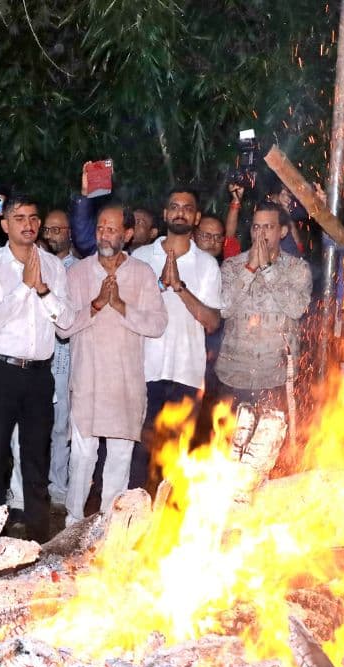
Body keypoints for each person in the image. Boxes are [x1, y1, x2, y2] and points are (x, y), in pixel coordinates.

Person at [58, 205, 167, 524]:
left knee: (120, 458)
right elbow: (62, 328)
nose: (103, 235)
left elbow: (158, 324)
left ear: (128, 234)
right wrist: (94, 306)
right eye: (100, 228)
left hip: (125, 384)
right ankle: (72, 523)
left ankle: (108, 528)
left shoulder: (142, 273)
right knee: (82, 457)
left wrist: (120, 305)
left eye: (111, 229)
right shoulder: (77, 273)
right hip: (87, 381)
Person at [0, 196, 74, 542]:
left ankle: (38, 540)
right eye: (19, 218)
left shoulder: (53, 266)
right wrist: (24, 288)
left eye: (33, 217)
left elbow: (67, 325)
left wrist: (43, 289)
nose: (28, 224)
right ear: (4, 225)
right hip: (2, 373)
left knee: (36, 458)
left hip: (39, 375)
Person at [129, 188, 222, 490]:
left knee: (175, 461)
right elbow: (127, 311)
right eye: (174, 206)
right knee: (139, 455)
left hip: (187, 373)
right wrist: (159, 284)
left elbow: (212, 322)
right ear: (165, 214)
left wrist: (179, 287)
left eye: (187, 208)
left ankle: (169, 517)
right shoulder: (141, 257)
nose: (180, 212)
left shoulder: (206, 265)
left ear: (196, 217)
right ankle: (132, 516)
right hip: (144, 370)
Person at [216, 203, 312, 411]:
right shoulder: (232, 266)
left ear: (283, 232)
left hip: (276, 378)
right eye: (256, 227)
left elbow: (296, 309)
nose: (260, 233)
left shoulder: (298, 268)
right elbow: (223, 308)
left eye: (268, 227)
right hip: (234, 374)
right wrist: (249, 268)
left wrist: (268, 269)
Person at [41, 208, 76, 505]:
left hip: (66, 356)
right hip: (38, 356)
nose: (51, 235)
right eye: (47, 230)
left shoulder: (79, 268)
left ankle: (58, 485)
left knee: (62, 425)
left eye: (57, 230)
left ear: (70, 233)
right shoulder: (37, 263)